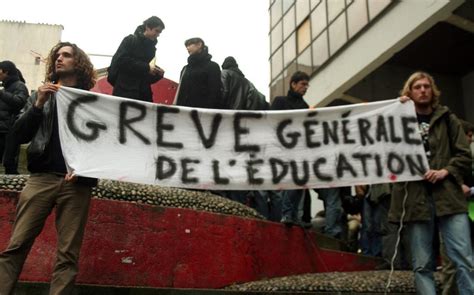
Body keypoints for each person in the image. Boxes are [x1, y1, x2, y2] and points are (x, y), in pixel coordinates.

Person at [0, 42, 98, 294]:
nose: (59, 58)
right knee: (16, 245)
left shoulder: (93, 102)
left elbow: (103, 147)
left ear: (79, 63)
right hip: (40, 179)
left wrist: (85, 171)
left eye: (66, 55)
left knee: (67, 255)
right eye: (57, 55)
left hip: (77, 184)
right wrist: (38, 104)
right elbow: (18, 135)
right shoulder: (39, 95)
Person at [390, 71, 473, 294]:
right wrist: (395, 111)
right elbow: (385, 152)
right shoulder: (397, 120)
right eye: (417, 87)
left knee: (464, 258)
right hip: (416, 200)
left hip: (449, 197)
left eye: (426, 86)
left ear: (433, 90)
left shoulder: (448, 118)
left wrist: (446, 171)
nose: (423, 90)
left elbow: (465, 155)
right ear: (409, 92)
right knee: (421, 264)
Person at [271, 71, 343, 235]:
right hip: (281, 151)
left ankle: (293, 216)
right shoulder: (280, 101)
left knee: (298, 184)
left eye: (307, 85)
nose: (306, 88)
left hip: (299, 152)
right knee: (284, 188)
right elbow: (270, 122)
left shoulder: (305, 107)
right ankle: (286, 215)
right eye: (303, 84)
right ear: (293, 84)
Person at [108, 16, 165, 102]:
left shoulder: (152, 48)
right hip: (125, 92)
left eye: (159, 32)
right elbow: (121, 61)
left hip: (143, 94)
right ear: (148, 27)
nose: (158, 35)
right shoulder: (130, 40)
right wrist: (147, 68)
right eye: (156, 31)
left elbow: (145, 75)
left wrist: (157, 74)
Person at [175, 37, 223, 109]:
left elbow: (215, 92)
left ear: (199, 45)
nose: (187, 48)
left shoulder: (212, 66)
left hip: (203, 113)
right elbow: (180, 92)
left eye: (189, 45)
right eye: (186, 46)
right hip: (184, 112)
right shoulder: (185, 68)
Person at [0, 61, 28, 174]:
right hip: (2, 129)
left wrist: (1, 94)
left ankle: (12, 188)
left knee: (9, 163)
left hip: (10, 131)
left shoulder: (19, 85)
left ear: (6, 71)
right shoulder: (5, 88)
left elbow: (20, 101)